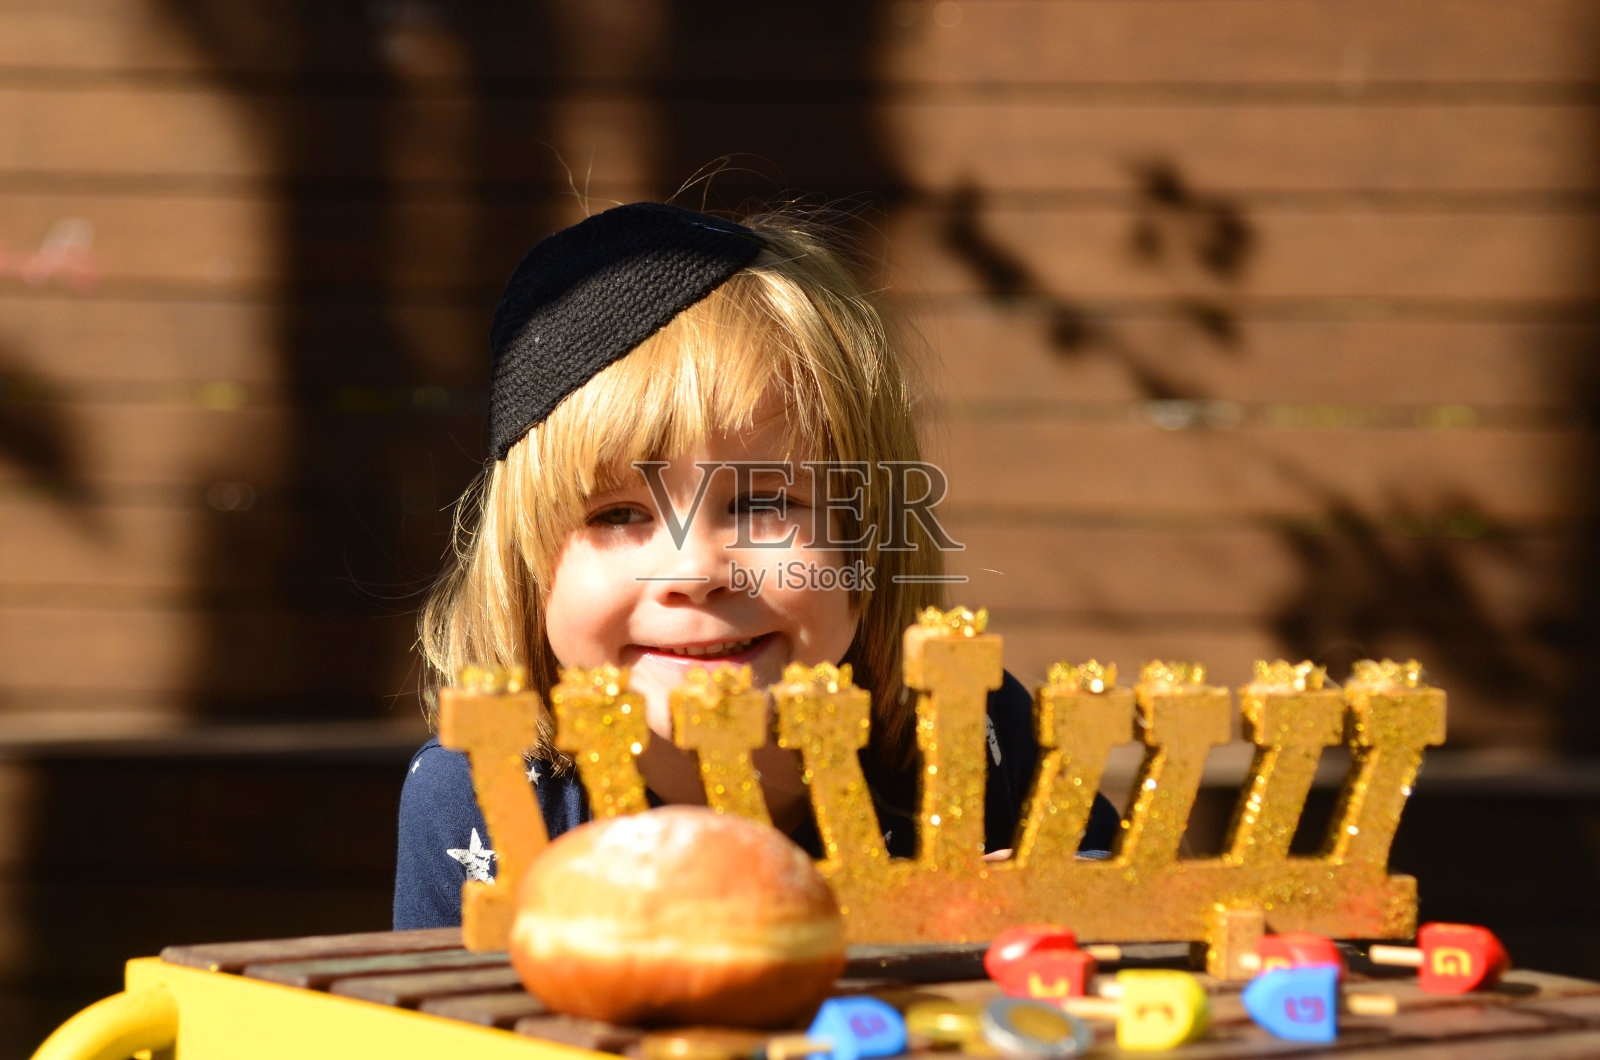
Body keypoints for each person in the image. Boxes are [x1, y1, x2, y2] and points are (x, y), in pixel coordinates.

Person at [394, 201, 1120, 930]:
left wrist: (1067, 909)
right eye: (618, 514)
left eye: (762, 505)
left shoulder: (972, 734)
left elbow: (1141, 966)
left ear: (863, 538)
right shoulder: (482, 795)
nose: (693, 570)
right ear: (527, 569)